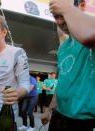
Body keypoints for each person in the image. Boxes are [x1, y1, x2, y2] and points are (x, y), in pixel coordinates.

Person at [41, 0, 95, 130]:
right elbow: (62, 82)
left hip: (83, 122)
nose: (59, 22)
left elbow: (88, 38)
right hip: (59, 116)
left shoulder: (89, 35)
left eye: (62, 14)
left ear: (82, 6)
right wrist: (50, 109)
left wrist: (68, 9)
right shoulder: (63, 47)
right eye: (56, 16)